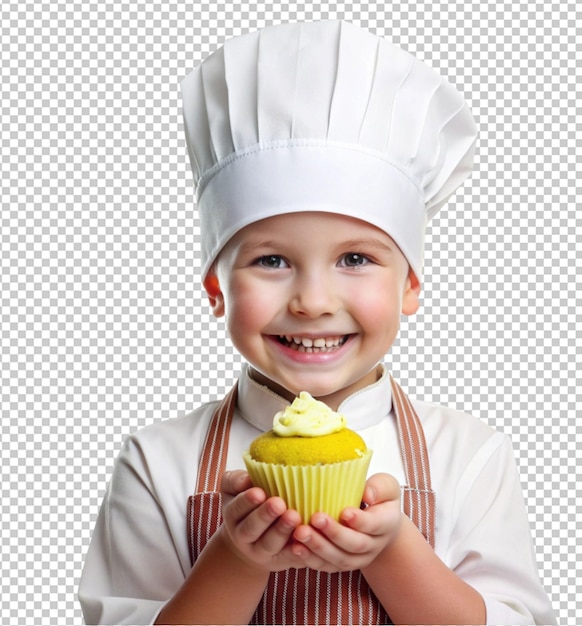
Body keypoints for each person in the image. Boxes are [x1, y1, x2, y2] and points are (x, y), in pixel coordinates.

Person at [79, 20, 557, 625]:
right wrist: (236, 557)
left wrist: (393, 552)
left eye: (355, 259)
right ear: (215, 288)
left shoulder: (467, 456)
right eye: (271, 260)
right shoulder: (157, 462)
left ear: (409, 285)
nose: (312, 300)